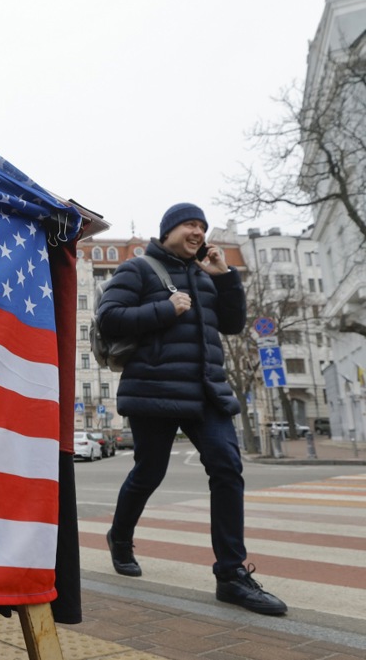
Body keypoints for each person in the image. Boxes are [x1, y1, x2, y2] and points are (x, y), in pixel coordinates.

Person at [96, 203, 287, 616]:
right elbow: (108, 318)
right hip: (154, 390)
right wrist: (166, 309)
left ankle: (231, 575)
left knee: (227, 468)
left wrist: (225, 276)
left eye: (202, 225)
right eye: (189, 224)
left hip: (206, 392)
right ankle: (120, 537)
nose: (198, 231)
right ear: (168, 231)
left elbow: (232, 325)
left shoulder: (205, 276)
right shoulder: (138, 269)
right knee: (149, 472)